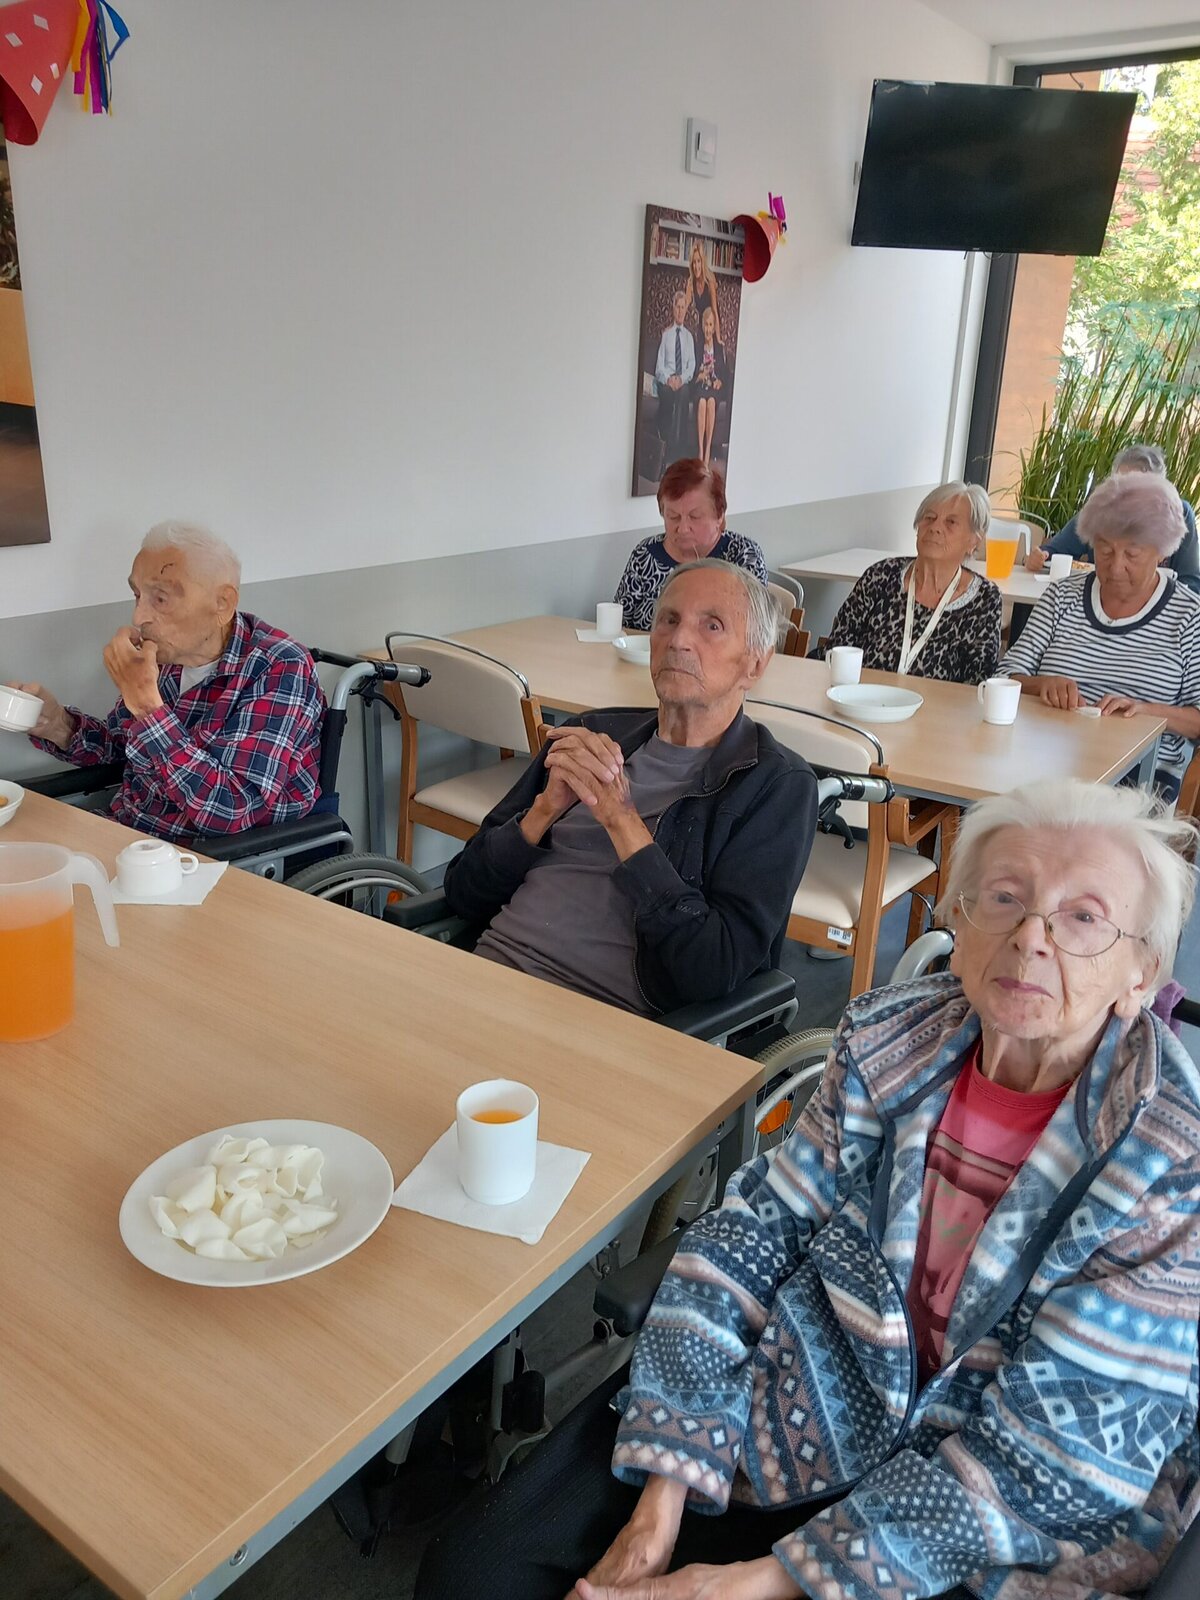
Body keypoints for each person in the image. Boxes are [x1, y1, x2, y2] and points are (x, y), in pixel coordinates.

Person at [415, 778, 1200, 1600]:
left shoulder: (1166, 1157)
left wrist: (755, 1582)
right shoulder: (888, 1038)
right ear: (960, 924)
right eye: (1005, 897)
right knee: (476, 1574)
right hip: (805, 1399)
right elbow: (751, 1234)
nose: (1032, 937)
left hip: (989, 1517)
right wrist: (661, 1501)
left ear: (1140, 975)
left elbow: (1054, 1458)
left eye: (1084, 918)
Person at [442, 560, 817, 1016]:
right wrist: (542, 811)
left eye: (712, 625)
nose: (679, 640)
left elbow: (712, 967)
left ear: (755, 664)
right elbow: (463, 890)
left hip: (606, 1018)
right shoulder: (592, 735)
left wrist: (622, 821)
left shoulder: (775, 786)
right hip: (486, 975)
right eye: (669, 620)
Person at [11, 522, 324, 842]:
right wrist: (56, 724)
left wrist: (148, 708)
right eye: (137, 595)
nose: (138, 617)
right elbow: (120, 747)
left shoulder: (280, 667)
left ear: (222, 603)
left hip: (202, 856)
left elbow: (229, 811)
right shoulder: (164, 657)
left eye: (160, 599)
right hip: (126, 831)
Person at [1001, 472, 1200, 798]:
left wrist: (1145, 710)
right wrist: (1042, 685)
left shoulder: (1189, 614)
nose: (1115, 566)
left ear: (1161, 553)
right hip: (1044, 759)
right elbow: (1004, 677)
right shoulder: (1061, 596)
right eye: (1104, 550)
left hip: (1141, 779)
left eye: (1132, 554)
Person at [824, 481, 1002, 683]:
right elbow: (839, 645)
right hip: (862, 696)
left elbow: (978, 679)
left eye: (951, 522)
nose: (935, 527)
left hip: (937, 703)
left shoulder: (985, 599)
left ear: (974, 541)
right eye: (929, 518)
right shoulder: (881, 575)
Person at [614, 460, 768, 634]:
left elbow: (752, 632)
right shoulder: (645, 554)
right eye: (673, 517)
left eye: (694, 517)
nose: (683, 528)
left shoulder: (744, 555)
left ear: (719, 516)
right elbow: (619, 624)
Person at [1026, 443, 1200, 593]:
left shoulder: (1178, 513)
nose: (1125, 498)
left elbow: (1191, 582)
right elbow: (1052, 552)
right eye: (1119, 485)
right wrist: (1036, 558)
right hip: (1100, 598)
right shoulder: (1101, 509)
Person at [653, 290, 697, 465]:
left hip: (682, 381)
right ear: (673, 309)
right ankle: (666, 449)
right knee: (667, 394)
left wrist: (681, 379)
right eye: (677, 307)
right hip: (668, 381)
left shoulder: (689, 337)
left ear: (686, 310)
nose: (680, 311)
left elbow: (691, 366)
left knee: (684, 393)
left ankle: (679, 449)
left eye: (682, 307)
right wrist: (668, 379)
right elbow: (659, 367)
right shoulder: (666, 335)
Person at [692, 305, 729, 467]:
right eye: (706, 325)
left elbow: (725, 374)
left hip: (714, 387)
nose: (708, 329)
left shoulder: (719, 347)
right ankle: (700, 450)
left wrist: (720, 381)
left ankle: (708, 450)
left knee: (711, 403)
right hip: (701, 386)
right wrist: (700, 375)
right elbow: (693, 372)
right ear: (702, 326)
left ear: (714, 328)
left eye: (710, 325)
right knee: (702, 403)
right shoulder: (697, 346)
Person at [683, 238, 721, 347]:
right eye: (694, 262)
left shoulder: (710, 281)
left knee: (714, 351)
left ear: (702, 262)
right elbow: (684, 306)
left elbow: (715, 310)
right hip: (702, 326)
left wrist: (718, 337)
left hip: (712, 324)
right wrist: (674, 326)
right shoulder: (690, 283)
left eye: (698, 261)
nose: (696, 266)